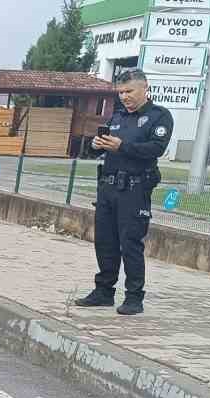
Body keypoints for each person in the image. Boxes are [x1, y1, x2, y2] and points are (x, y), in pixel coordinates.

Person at [75, 69, 173, 316]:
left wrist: (123, 146)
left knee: (130, 244)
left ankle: (134, 297)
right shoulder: (116, 117)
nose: (124, 97)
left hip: (135, 189)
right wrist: (96, 145)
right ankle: (104, 291)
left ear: (144, 88)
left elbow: (155, 149)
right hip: (108, 187)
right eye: (120, 92)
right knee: (105, 242)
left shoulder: (158, 117)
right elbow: (101, 148)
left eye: (129, 91)